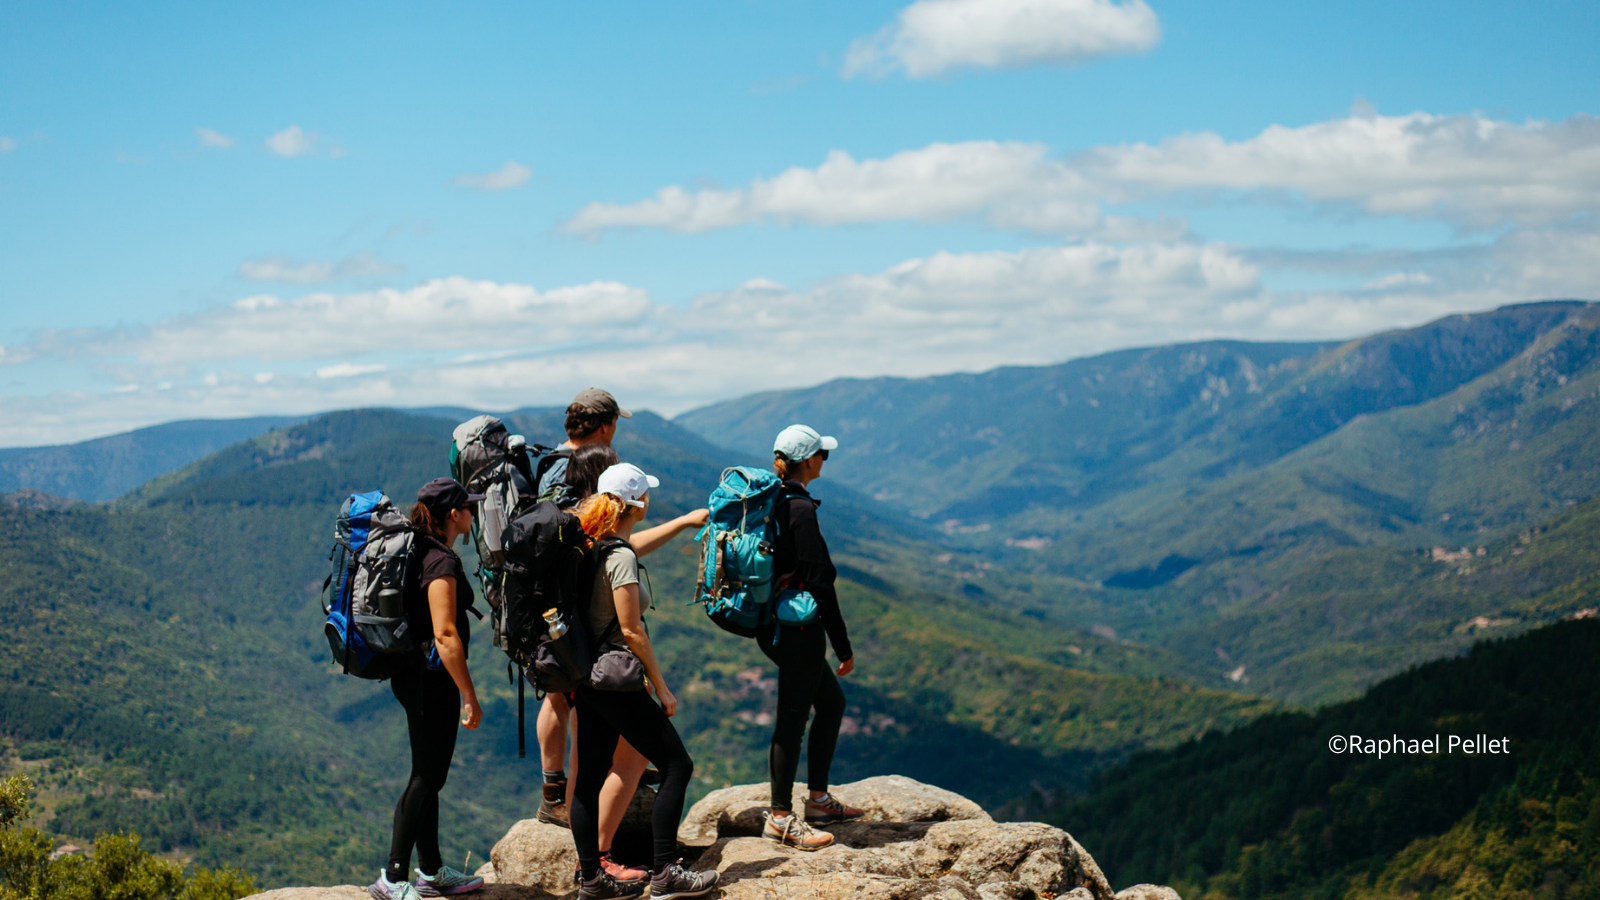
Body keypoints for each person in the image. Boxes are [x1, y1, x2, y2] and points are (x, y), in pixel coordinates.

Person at [570, 464, 719, 900]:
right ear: (639, 503)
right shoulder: (619, 557)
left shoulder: (587, 546)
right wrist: (661, 686)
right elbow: (631, 629)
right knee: (677, 765)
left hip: (584, 680)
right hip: (617, 680)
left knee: (589, 778)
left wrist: (685, 522)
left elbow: (633, 545)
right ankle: (665, 873)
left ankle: (592, 881)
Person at [370, 478, 486, 900]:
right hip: (430, 680)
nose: (473, 514)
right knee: (426, 777)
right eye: (468, 508)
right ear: (453, 515)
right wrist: (469, 694)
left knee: (428, 773)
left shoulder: (416, 546)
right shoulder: (439, 560)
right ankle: (393, 876)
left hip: (411, 676)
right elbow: (445, 635)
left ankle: (432, 870)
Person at [760, 425, 863, 851]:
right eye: (823, 454)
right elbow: (821, 580)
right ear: (807, 461)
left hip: (780, 624)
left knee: (832, 703)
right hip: (800, 629)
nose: (825, 460)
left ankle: (818, 800)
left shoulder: (776, 499)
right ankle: (781, 818)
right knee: (792, 720)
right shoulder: (799, 509)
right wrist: (843, 645)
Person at [537, 389, 629, 828]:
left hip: (541, 597)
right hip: (568, 601)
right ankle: (570, 800)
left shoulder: (547, 463)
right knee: (568, 692)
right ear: (606, 425)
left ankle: (556, 790)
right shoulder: (586, 467)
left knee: (560, 689)